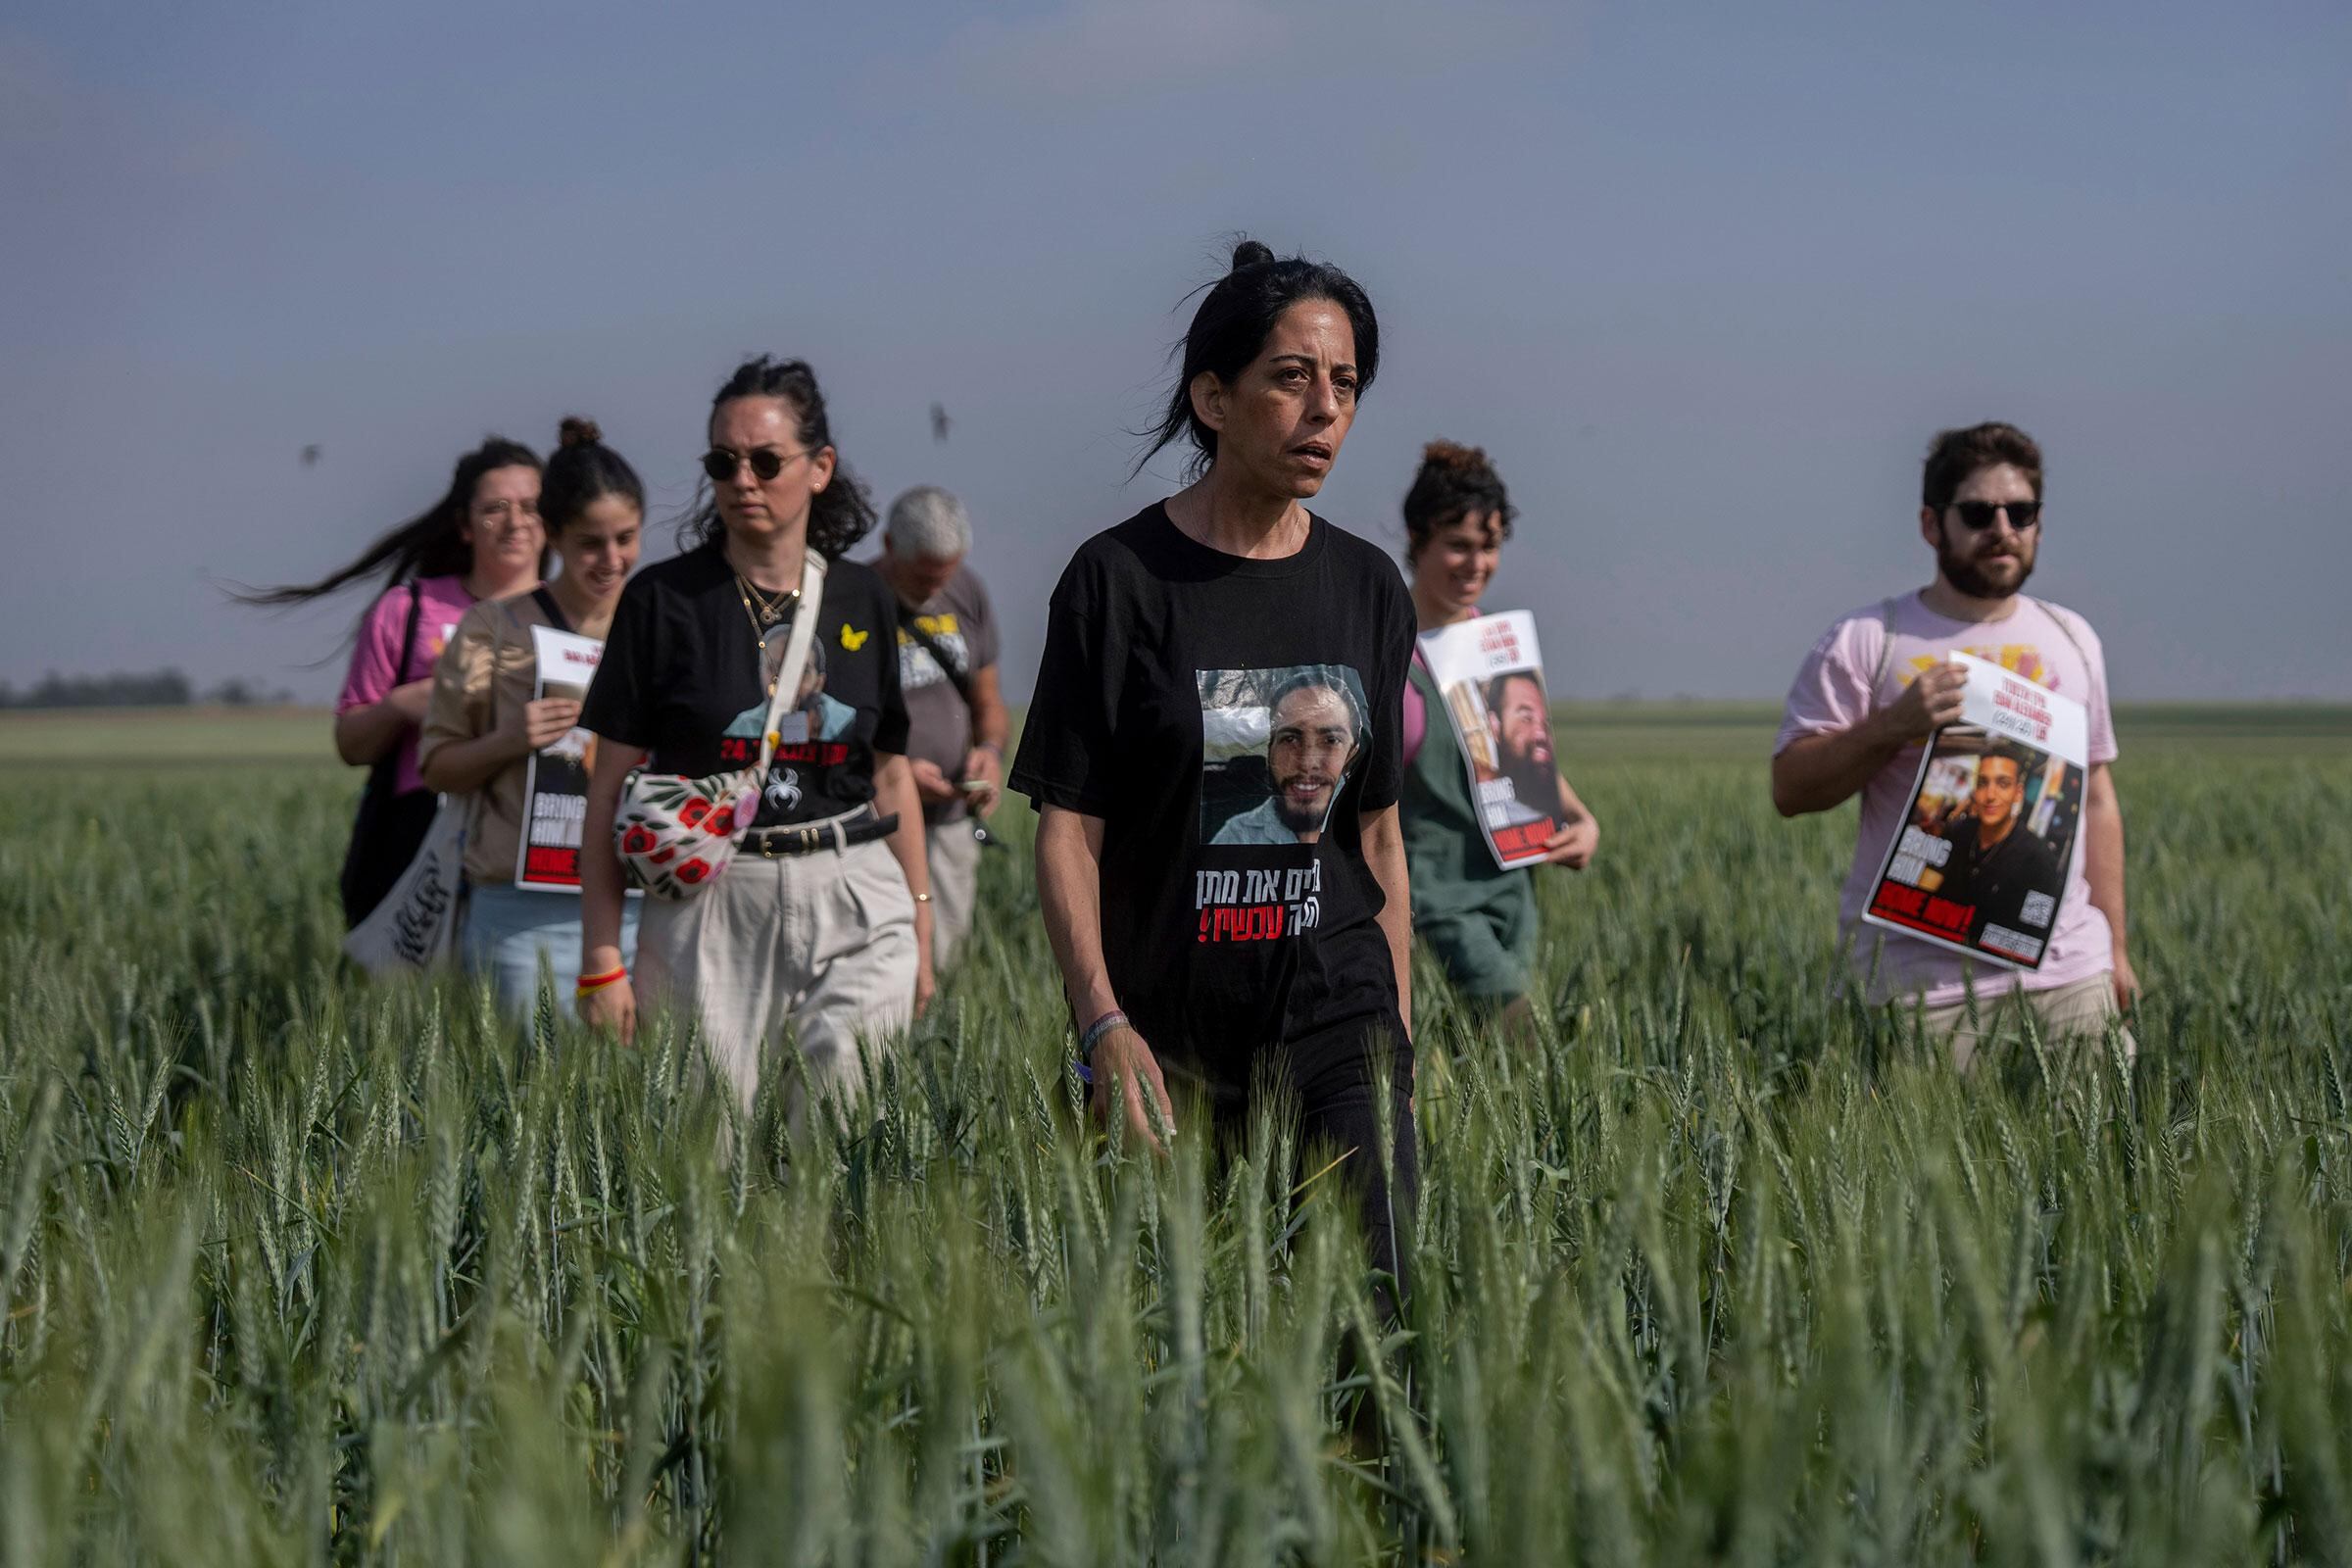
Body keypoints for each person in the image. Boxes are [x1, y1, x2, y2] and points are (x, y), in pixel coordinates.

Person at [1009, 239, 1417, 1294]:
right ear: (1213, 398)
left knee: (1372, 1325)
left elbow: (1377, 833)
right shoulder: (1118, 583)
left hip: (1337, 1023)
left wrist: (1398, 1039)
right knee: (1173, 1342)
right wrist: (1102, 1024)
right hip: (1167, 1043)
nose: (1324, 409)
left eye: (1345, 385)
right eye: (1291, 378)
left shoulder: (1369, 588)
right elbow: (1069, 828)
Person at [574, 358, 933, 1126]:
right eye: (723, 462)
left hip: (854, 889)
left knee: (842, 1141)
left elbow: (891, 773)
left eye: (766, 462)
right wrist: (602, 958)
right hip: (710, 899)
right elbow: (607, 787)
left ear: (819, 467)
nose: (743, 480)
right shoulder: (661, 601)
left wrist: (922, 923)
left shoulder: (864, 596)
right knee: (706, 1150)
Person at [1772, 421, 2136, 1068]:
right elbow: (1791, 790)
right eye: (1977, 513)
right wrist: (1893, 725)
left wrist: (2114, 950)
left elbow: (2098, 799)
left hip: (2068, 980)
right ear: (1930, 524)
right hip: (1917, 991)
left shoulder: (2073, 638)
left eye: (2021, 512)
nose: (2002, 529)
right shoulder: (1869, 639)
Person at [243, 436, 546, 927]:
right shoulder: (406, 611)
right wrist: (402, 705)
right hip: (421, 826)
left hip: (532, 826)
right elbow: (350, 744)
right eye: (495, 508)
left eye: (531, 507)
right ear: (464, 525)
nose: (516, 522)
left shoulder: (573, 618)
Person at [416, 418, 645, 1012]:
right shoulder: (493, 627)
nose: (611, 559)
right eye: (590, 543)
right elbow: (437, 766)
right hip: (522, 917)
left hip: (639, 907)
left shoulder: (661, 624)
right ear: (554, 535)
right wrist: (508, 740)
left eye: (626, 538)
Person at [1396, 441, 1599, 1029]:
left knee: (1478, 1062)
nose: (1476, 564)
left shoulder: (1498, 647)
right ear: (1416, 539)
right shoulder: (1385, 647)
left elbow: (1525, 762)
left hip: (1513, 891)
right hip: (1433, 898)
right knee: (1524, 1037)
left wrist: (1582, 820)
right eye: (1458, 545)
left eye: (1488, 547)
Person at [873, 486, 1007, 967]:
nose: (935, 587)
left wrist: (989, 752)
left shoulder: (968, 590)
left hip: (949, 824)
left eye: (945, 573)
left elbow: (987, 700)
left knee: (946, 963)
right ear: (890, 546)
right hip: (876, 822)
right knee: (885, 961)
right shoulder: (853, 600)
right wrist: (898, 772)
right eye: (923, 575)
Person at [1924, 742, 2062, 945]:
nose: (1990, 795)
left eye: (2003, 784)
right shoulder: (1957, 831)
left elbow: (2033, 933)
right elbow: (1926, 886)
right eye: (1982, 783)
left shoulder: (2040, 858)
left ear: (2018, 793)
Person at [1208, 670, 1365, 845]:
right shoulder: (1236, 837)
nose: (1307, 763)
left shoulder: (1369, 828)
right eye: (1290, 739)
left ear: (1351, 754)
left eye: (1331, 740)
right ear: (1270, 752)